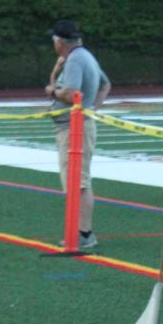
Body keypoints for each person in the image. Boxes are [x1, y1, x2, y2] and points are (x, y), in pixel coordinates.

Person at [45, 18, 111, 253]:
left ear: (60, 41)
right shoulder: (85, 56)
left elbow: (71, 93)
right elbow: (105, 84)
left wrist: (53, 91)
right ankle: (81, 232)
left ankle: (84, 233)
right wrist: (92, 109)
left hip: (74, 128)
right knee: (78, 180)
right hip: (78, 124)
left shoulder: (75, 59)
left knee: (78, 182)